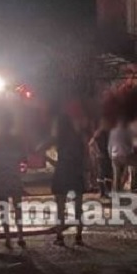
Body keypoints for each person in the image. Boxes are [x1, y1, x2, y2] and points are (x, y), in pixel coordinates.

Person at [50, 100, 87, 246]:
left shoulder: (59, 139)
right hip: (76, 173)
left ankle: (60, 237)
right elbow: (84, 156)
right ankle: (79, 236)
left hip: (62, 172)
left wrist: (51, 161)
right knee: (78, 207)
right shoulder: (78, 138)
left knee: (60, 208)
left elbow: (42, 148)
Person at [0, 115, 27, 249]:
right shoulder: (17, 140)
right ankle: (20, 236)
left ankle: (7, 237)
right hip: (14, 176)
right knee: (17, 207)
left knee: (4, 207)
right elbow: (23, 159)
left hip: (1, 176)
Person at [108, 116, 133, 194]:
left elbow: (110, 144)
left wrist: (110, 154)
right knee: (124, 174)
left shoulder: (112, 132)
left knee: (116, 175)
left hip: (115, 155)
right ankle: (120, 189)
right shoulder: (127, 132)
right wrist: (130, 151)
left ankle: (116, 191)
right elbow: (130, 143)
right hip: (124, 155)